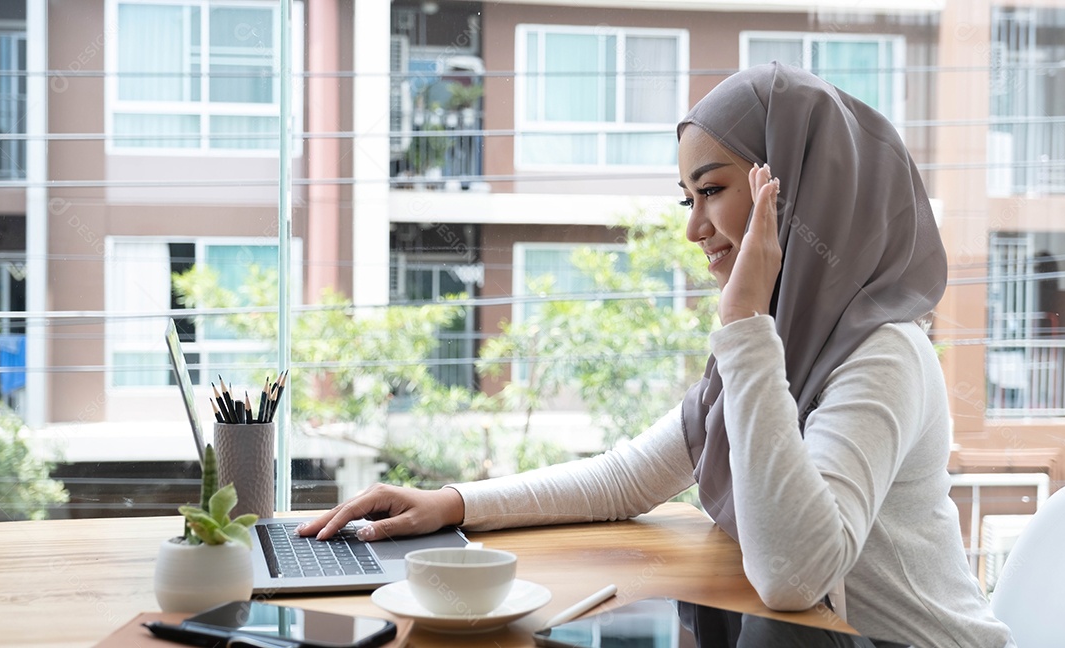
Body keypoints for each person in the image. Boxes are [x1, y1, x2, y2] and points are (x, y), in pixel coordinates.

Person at [299, 62, 1015, 647]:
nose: (695, 228)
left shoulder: (880, 354)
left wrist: (743, 324)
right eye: (686, 200)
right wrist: (449, 504)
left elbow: (795, 572)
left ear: (793, 195)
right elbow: (627, 478)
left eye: (712, 191)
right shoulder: (785, 344)